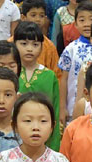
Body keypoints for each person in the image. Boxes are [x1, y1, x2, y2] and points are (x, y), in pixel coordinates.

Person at [14, 21, 61, 150]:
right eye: (23, 44)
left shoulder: (49, 76)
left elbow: (55, 111)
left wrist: (54, 146)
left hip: (43, 139)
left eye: (35, 45)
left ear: (42, 47)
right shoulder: (10, 75)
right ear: (14, 44)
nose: (29, 49)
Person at [57, 1, 92, 123]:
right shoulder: (71, 49)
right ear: (75, 24)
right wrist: (62, 108)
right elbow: (64, 79)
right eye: (82, 20)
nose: (87, 24)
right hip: (73, 107)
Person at [8, 0, 62, 80]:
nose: (38, 19)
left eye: (41, 16)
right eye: (33, 15)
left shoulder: (49, 46)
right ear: (23, 17)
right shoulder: (11, 43)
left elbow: (57, 75)